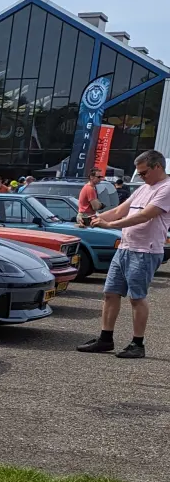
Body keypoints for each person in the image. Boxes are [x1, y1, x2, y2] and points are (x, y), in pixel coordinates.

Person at [77, 151, 170, 359]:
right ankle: (105, 338)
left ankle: (137, 344)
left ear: (157, 167)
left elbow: (144, 216)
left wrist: (110, 225)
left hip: (145, 251)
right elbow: (120, 210)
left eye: (144, 173)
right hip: (125, 248)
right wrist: (94, 218)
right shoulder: (144, 188)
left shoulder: (166, 188)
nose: (142, 177)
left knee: (137, 298)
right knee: (110, 293)